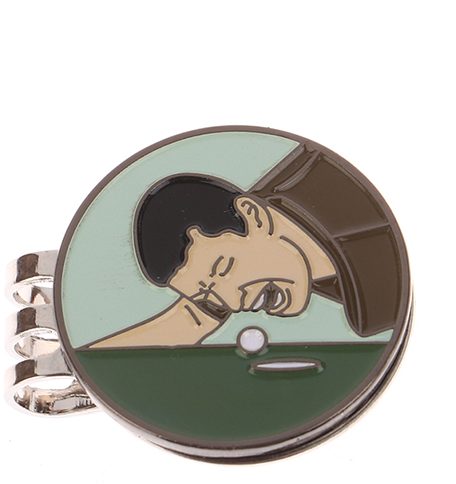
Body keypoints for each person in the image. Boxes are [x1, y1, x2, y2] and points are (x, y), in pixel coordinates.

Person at [85, 143, 404, 348]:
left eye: (223, 268)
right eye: (209, 295)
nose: (234, 302)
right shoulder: (295, 249)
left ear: (253, 215)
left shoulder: (366, 228)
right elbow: (189, 320)